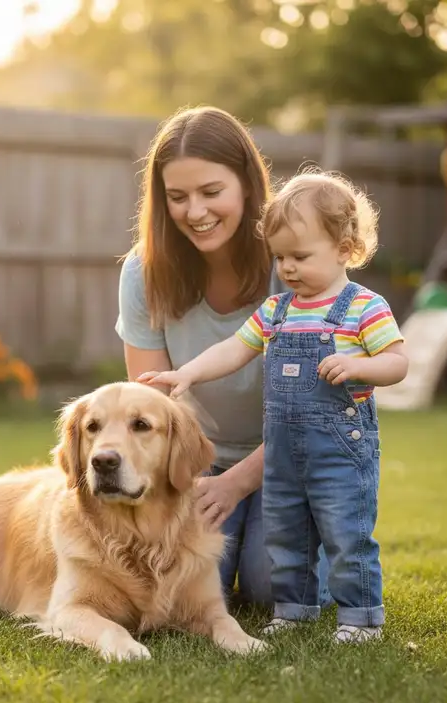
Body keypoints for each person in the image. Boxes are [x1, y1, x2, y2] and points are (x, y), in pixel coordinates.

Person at [139, 170, 408, 643]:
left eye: (300, 256)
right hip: (281, 454)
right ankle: (295, 607)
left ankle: (362, 616)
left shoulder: (365, 307)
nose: (287, 267)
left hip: (339, 454)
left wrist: (359, 366)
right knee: (286, 533)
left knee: (346, 533)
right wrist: (187, 374)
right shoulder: (276, 310)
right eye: (280, 256)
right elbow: (233, 350)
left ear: (344, 249)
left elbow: (398, 362)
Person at [114, 105, 331, 609]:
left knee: (267, 585)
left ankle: (326, 534)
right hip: (197, 464)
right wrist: (192, 482)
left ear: (247, 186)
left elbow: (311, 411)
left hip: (294, 456)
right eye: (178, 197)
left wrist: (237, 483)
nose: (195, 211)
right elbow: (153, 407)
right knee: (181, 580)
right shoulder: (143, 273)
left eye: (212, 192)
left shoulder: (294, 266)